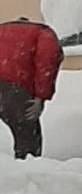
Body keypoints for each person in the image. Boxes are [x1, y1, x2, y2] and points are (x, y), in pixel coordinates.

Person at [0, 16, 64, 159]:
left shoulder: (2, 31)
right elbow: (47, 62)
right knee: (28, 139)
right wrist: (41, 96)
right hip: (13, 88)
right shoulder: (43, 34)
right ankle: (27, 175)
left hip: (9, 85)